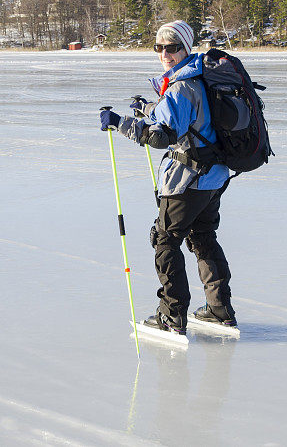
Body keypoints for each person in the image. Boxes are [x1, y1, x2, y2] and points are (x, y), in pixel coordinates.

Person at [100, 20, 236, 335]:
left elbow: (163, 135)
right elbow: (177, 114)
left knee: (165, 241)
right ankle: (219, 309)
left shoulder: (182, 85)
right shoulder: (196, 78)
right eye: (159, 47)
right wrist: (146, 108)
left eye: (172, 47)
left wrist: (120, 123)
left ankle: (171, 315)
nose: (165, 54)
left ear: (185, 48)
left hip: (187, 180)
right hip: (212, 178)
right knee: (202, 238)